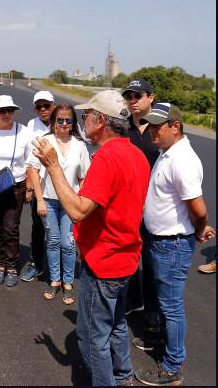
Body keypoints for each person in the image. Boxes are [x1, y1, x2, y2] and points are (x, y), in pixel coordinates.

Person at [31, 89, 149, 386]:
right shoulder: (135, 152)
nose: (83, 120)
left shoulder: (107, 158)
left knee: (93, 336)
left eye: (87, 115)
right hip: (127, 258)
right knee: (117, 324)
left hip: (105, 261)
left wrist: (53, 166)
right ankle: (123, 376)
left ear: (100, 120)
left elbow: (77, 210)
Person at [134, 103, 216, 386]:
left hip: (172, 244)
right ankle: (161, 342)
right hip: (161, 240)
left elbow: (199, 208)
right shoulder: (167, 152)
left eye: (157, 126)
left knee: (171, 307)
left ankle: (172, 367)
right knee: (162, 299)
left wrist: (200, 228)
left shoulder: (182, 160)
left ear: (176, 126)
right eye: (150, 125)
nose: (151, 130)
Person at [26, 103, 89, 304]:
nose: (63, 123)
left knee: (68, 243)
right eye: (59, 120)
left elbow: (84, 178)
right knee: (52, 241)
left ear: (73, 123)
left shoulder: (80, 145)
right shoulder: (45, 142)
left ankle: (68, 281)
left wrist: (83, 203)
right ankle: (54, 280)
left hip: (71, 202)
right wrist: (40, 200)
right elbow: (33, 171)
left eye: (67, 120)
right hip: (50, 201)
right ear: (53, 122)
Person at [121, 79, 163, 336]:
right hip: (128, 206)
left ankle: (153, 314)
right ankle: (133, 300)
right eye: (129, 96)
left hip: (154, 208)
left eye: (138, 95)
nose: (133, 100)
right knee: (128, 259)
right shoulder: (124, 128)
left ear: (150, 97)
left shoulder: (161, 129)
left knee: (152, 262)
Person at [0, 95, 32, 287]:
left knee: (11, 227)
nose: (7, 114)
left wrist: (29, 188)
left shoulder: (24, 132)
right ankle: (0, 264)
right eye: (2, 111)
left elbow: (30, 162)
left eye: (10, 110)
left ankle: (11, 266)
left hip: (16, 186)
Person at [21, 91, 55, 283]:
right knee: (38, 227)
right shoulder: (31, 126)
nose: (43, 110)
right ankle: (36, 263)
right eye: (39, 106)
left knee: (61, 230)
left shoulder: (63, 121)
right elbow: (29, 159)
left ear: (53, 104)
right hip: (39, 184)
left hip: (60, 184)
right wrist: (29, 187)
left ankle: (57, 269)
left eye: (47, 105)